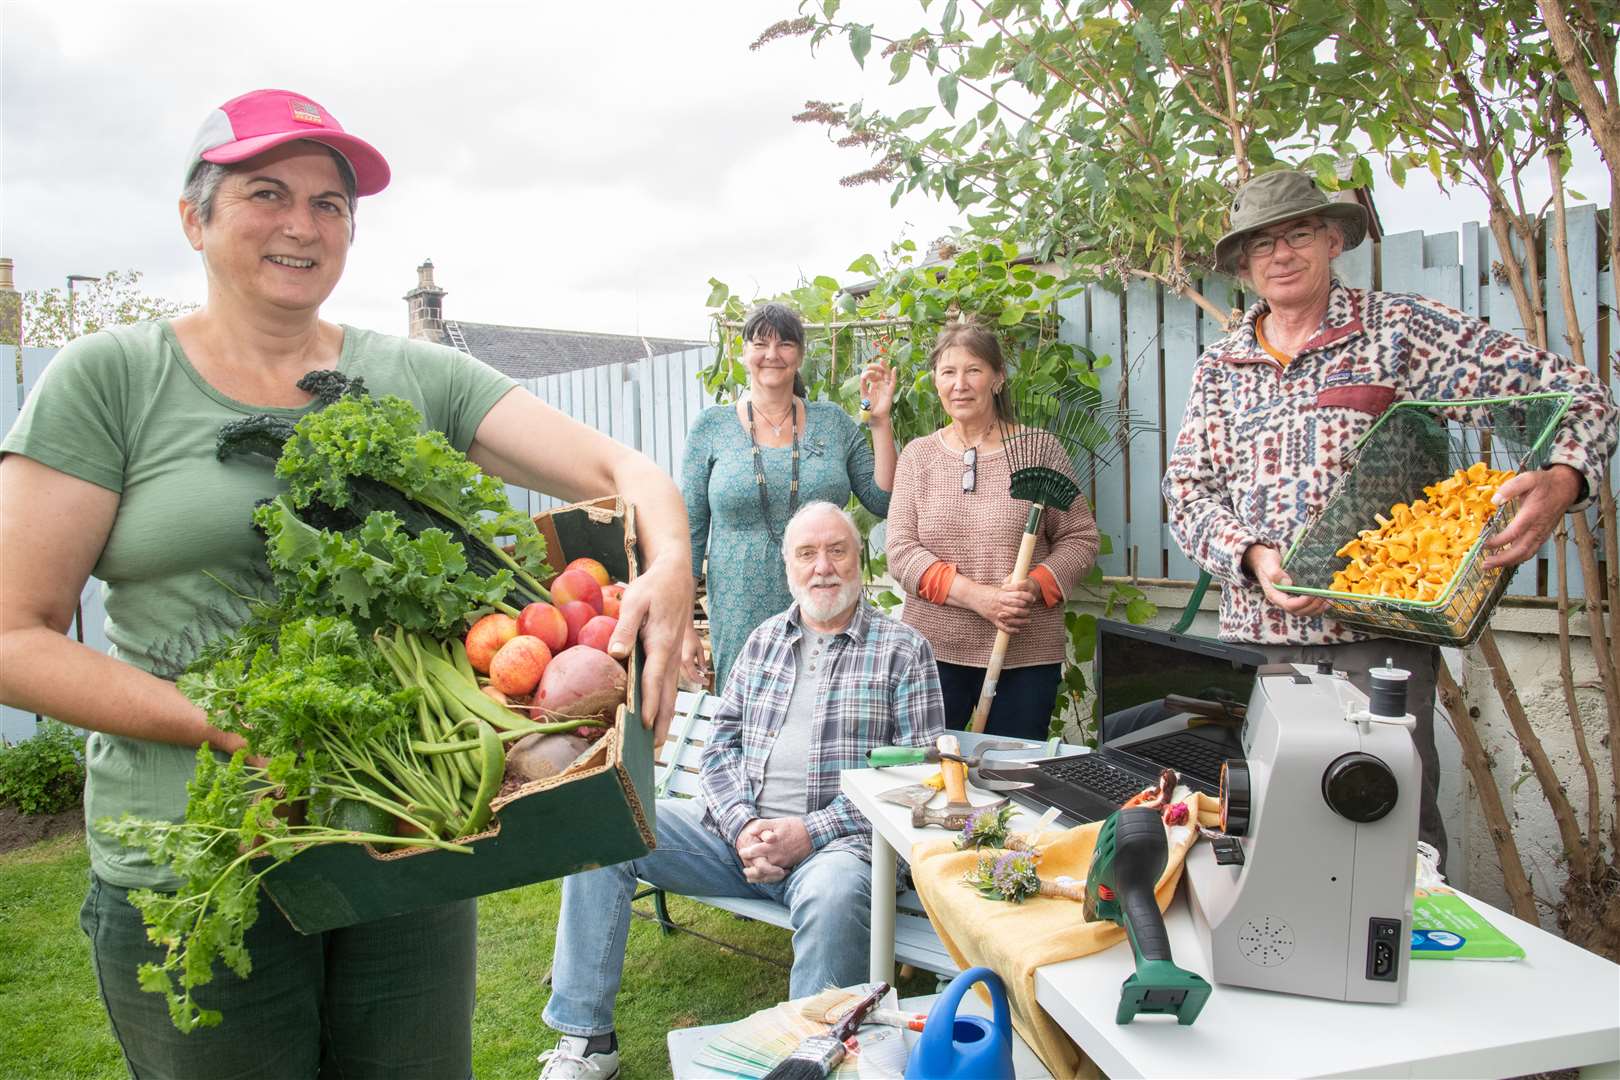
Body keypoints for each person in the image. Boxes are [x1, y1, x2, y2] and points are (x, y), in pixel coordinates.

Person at [0, 88, 694, 1080]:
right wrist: (211, 723)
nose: (303, 223)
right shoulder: (109, 379)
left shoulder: (415, 378)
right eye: (266, 192)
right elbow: (11, 636)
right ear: (194, 217)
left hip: (401, 846)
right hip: (199, 859)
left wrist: (668, 563)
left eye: (332, 204)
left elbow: (629, 473)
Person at [1163, 169, 1618, 868]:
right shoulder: (1221, 365)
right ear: (1245, 265)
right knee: (1266, 836)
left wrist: (1564, 479)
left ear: (1333, 240)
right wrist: (1253, 557)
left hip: (1373, 639)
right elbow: (1187, 494)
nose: (1281, 255)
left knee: (1387, 834)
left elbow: (1579, 395)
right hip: (1259, 643)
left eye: (1298, 234)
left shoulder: (1400, 330)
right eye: (1262, 245)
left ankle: (1410, 967)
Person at [539, 501, 945, 1079]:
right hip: (735, 838)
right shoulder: (763, 642)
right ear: (788, 567)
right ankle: (586, 1040)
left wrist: (809, 832)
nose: (822, 567)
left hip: (838, 852)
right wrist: (742, 826)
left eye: (837, 551)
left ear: (861, 560)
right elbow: (720, 750)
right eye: (806, 554)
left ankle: (809, 1059)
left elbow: (918, 777)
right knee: (607, 825)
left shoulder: (903, 650)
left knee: (835, 895)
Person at [886, 323, 1100, 740]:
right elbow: (900, 551)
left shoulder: (1039, 450)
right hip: (933, 652)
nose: (960, 385)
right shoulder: (918, 457)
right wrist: (981, 598)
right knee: (930, 773)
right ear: (935, 381)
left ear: (998, 378)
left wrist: (1034, 586)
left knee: (1011, 781)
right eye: (948, 373)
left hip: (1023, 653)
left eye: (974, 371)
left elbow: (1080, 537)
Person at [680, 302, 898, 692]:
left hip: (827, 598)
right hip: (740, 607)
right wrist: (681, 625)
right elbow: (691, 532)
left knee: (832, 711)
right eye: (760, 343)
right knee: (747, 718)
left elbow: (881, 500)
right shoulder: (711, 427)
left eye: (785, 343)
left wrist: (880, 422)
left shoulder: (832, 423)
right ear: (742, 352)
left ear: (799, 354)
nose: (772, 354)